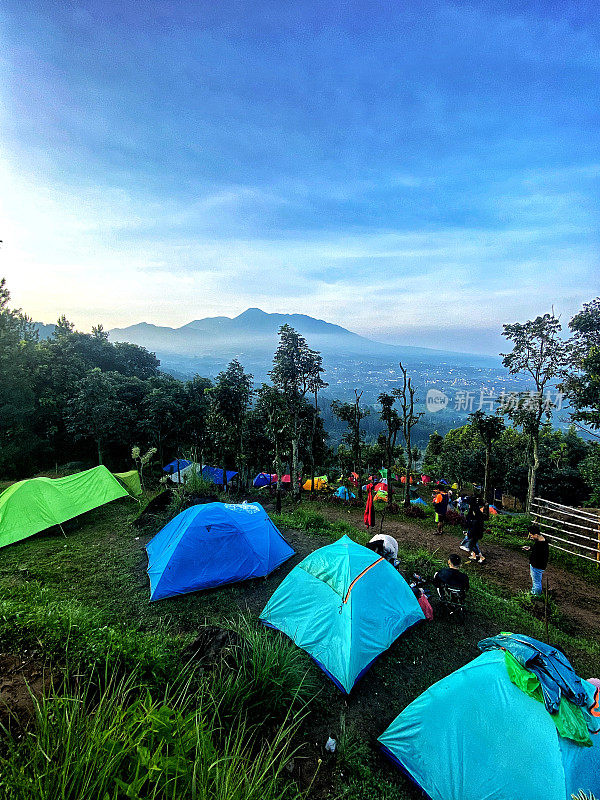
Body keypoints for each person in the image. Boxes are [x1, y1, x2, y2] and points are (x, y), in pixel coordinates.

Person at [522, 524, 549, 595]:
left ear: (536, 535)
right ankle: (534, 592)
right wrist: (530, 548)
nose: (531, 537)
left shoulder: (540, 545)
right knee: (536, 581)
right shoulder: (542, 541)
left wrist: (532, 563)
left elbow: (539, 554)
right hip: (540, 565)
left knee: (536, 582)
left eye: (531, 535)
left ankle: (536, 596)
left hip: (537, 566)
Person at [464, 496, 487, 563]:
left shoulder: (474, 512)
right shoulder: (476, 511)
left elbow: (474, 524)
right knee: (473, 544)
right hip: (477, 531)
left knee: (472, 545)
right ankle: (474, 556)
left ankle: (481, 557)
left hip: (475, 531)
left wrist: (469, 533)